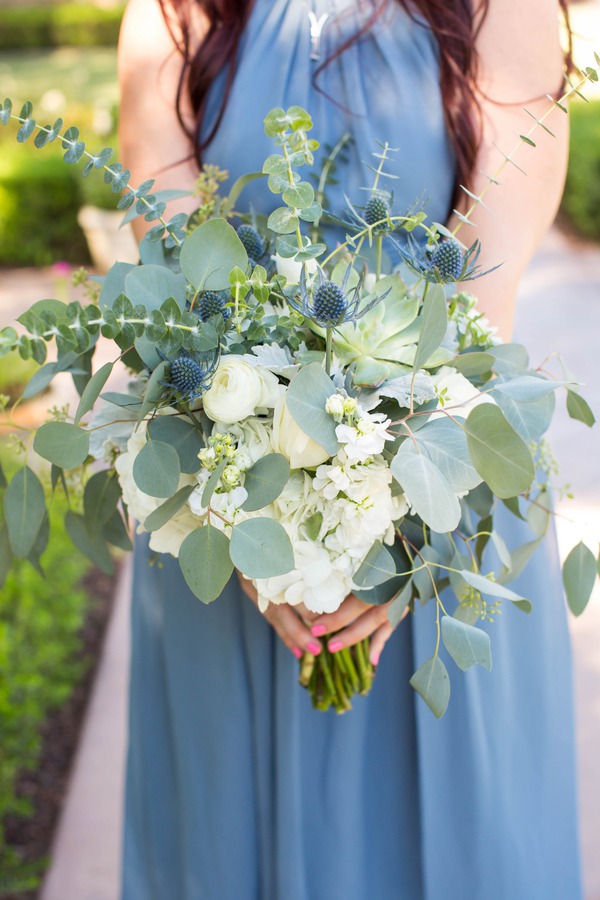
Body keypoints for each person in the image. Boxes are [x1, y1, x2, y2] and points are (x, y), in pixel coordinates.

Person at [117, 1, 582, 897]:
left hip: (446, 492)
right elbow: (175, 277)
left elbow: (483, 288)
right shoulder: (174, 14)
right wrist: (258, 534)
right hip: (224, 509)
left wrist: (399, 525)